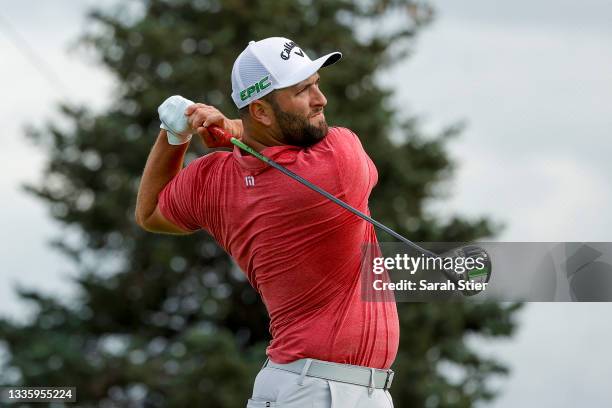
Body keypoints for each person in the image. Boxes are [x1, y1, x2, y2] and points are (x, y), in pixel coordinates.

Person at [135, 37, 399, 408]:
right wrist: (233, 130)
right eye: (302, 90)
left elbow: (149, 213)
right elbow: (293, 150)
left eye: (316, 84)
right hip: (319, 391)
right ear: (260, 110)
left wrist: (175, 134)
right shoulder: (338, 163)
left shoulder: (212, 180)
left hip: (310, 385)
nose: (320, 99)